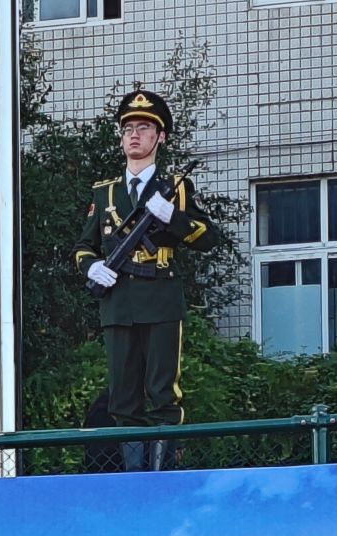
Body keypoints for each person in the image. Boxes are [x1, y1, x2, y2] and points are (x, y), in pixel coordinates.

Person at [71, 90, 213, 472]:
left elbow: (208, 237)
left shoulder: (175, 189)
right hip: (118, 304)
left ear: (160, 137)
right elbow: (83, 246)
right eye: (128, 128)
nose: (134, 135)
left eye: (144, 128)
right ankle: (134, 479)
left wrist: (172, 217)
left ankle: (162, 478)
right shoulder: (105, 193)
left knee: (164, 395)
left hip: (161, 300)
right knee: (123, 399)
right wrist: (91, 267)